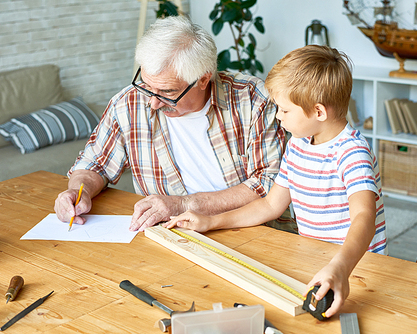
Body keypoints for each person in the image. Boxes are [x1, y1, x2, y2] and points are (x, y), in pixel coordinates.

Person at [166, 45, 387, 317]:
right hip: (316, 260)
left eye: (284, 110)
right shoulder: (298, 144)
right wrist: (211, 221)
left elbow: (364, 216)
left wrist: (340, 266)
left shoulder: (352, 153)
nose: (278, 117)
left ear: (318, 112)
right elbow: (270, 205)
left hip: (356, 267)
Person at [54, 16, 292, 232]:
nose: (153, 103)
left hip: (252, 229)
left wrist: (184, 204)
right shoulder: (128, 103)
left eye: (167, 92)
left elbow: (269, 182)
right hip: (170, 234)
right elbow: (94, 164)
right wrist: (78, 191)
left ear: (203, 79)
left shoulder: (253, 100)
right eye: (147, 85)